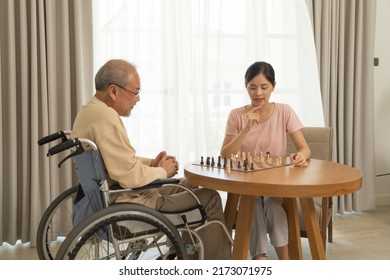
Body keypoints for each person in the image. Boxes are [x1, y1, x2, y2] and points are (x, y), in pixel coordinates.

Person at [71, 59, 231, 260]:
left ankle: (189, 256)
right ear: (113, 91)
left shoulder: (89, 111)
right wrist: (163, 171)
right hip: (131, 203)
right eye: (135, 92)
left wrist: (153, 164)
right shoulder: (106, 117)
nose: (137, 99)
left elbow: (117, 160)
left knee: (188, 183)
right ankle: (217, 263)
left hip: (115, 197)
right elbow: (129, 176)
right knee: (210, 197)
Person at [220, 61, 311, 260]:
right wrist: (246, 129)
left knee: (272, 205)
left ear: (273, 87)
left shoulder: (284, 111)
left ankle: (284, 259)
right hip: (247, 184)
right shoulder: (236, 115)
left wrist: (301, 155)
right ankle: (260, 258)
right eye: (252, 87)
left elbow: (305, 148)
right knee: (251, 203)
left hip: (274, 184)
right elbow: (225, 155)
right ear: (246, 88)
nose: (258, 93)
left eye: (264, 87)